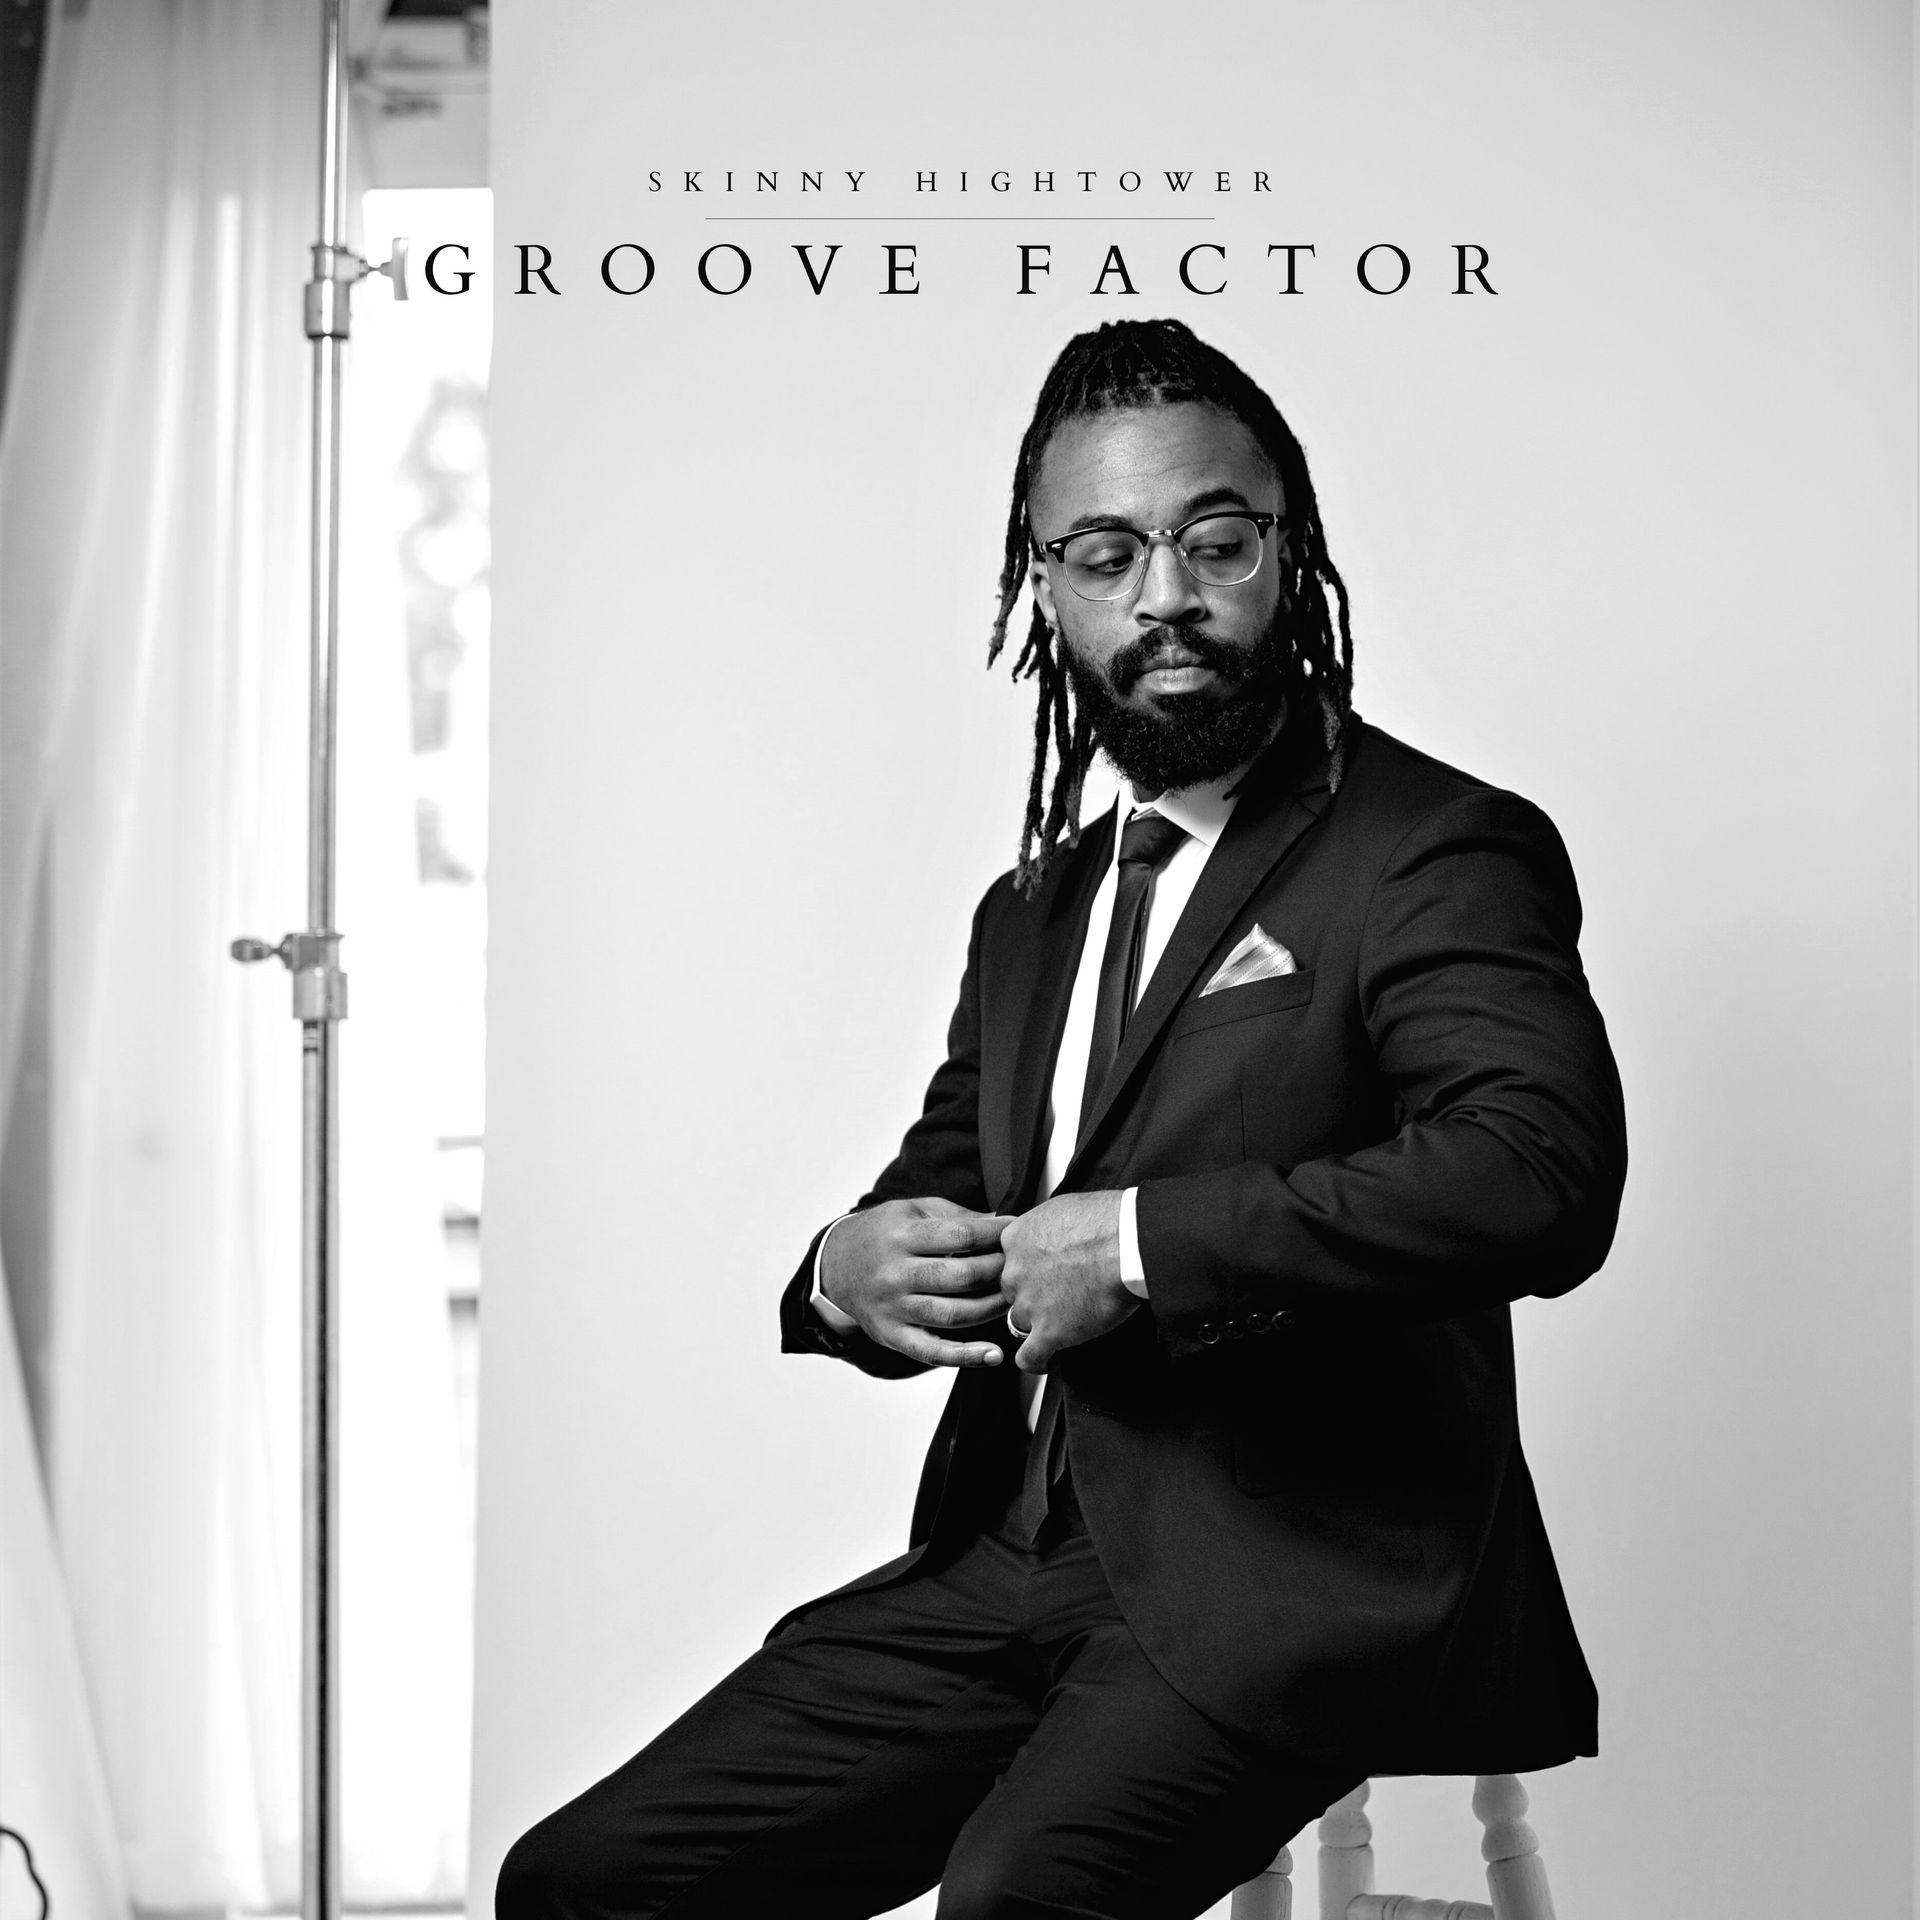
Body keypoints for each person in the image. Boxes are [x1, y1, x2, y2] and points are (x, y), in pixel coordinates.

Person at [497, 318, 1627, 1920]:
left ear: (1288, 558)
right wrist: (847, 1272)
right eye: (1105, 554)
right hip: (1000, 1565)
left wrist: (1153, 1248)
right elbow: (950, 1188)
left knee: (1015, 1906)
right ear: (1047, 591)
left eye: (1212, 542)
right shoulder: (1032, 912)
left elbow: (1539, 1177)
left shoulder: (1434, 847)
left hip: (1302, 1575)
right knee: (590, 1881)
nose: (1163, 594)